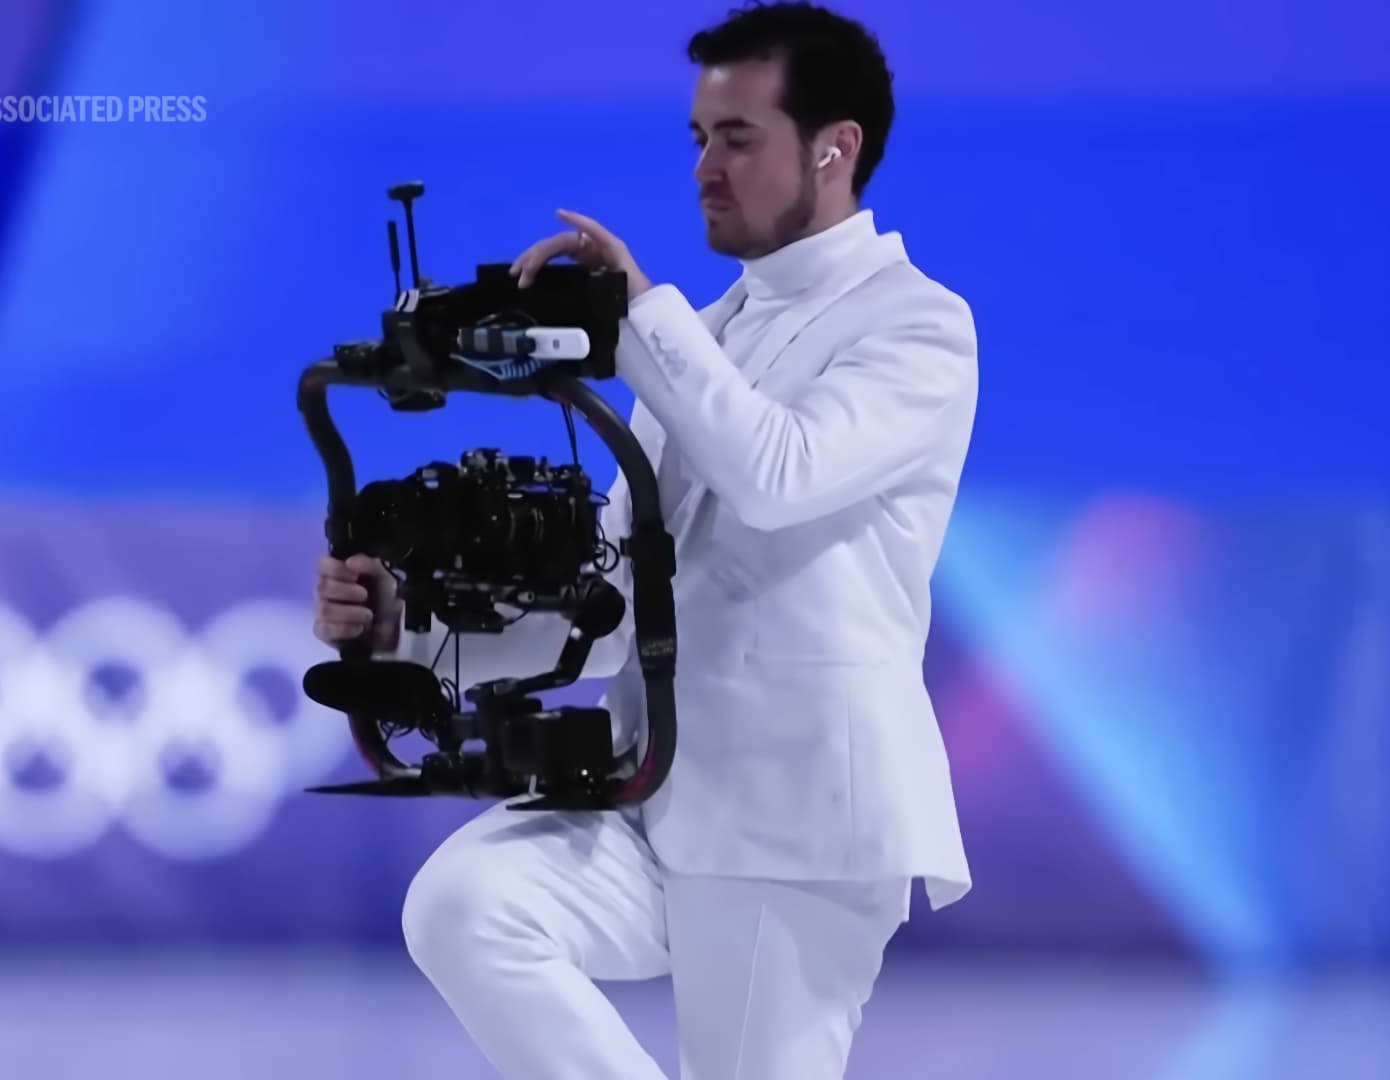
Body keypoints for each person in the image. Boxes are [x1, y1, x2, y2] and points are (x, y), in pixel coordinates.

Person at [312, 4, 978, 1076]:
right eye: (699, 140)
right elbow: (614, 604)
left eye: (739, 138)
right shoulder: (701, 339)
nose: (707, 168)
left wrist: (641, 317)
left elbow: (778, 475)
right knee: (467, 906)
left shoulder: (917, 325)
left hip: (799, 824)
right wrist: (414, 634)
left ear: (835, 148)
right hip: (653, 790)